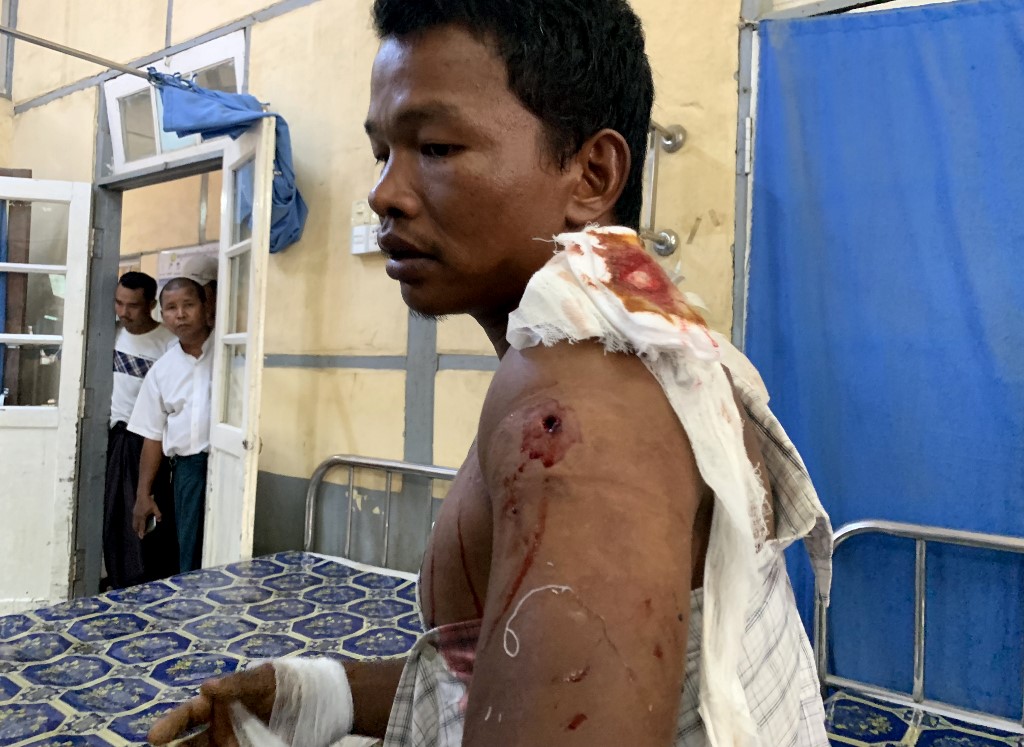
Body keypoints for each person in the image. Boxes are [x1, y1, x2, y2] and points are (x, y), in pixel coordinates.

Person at [149, 2, 833, 745]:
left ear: (591, 173)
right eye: (383, 151)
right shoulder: (636, 339)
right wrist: (319, 694)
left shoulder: (579, 406)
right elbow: (503, 669)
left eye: (437, 147)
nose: (385, 191)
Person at [129, 277, 213, 574]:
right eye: (171, 308)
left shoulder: (230, 354)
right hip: (188, 470)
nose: (180, 315)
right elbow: (152, 435)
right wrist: (143, 494)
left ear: (206, 307)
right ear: (162, 315)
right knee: (191, 552)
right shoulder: (162, 371)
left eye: (188, 305)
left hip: (229, 462)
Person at [103, 272, 179, 590]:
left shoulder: (168, 344)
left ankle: (144, 585)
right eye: (119, 303)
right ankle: (115, 581)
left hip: (147, 442)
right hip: (110, 436)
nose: (123, 312)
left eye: (132, 305)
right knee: (110, 519)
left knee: (145, 522)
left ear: (150, 305)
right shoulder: (108, 334)